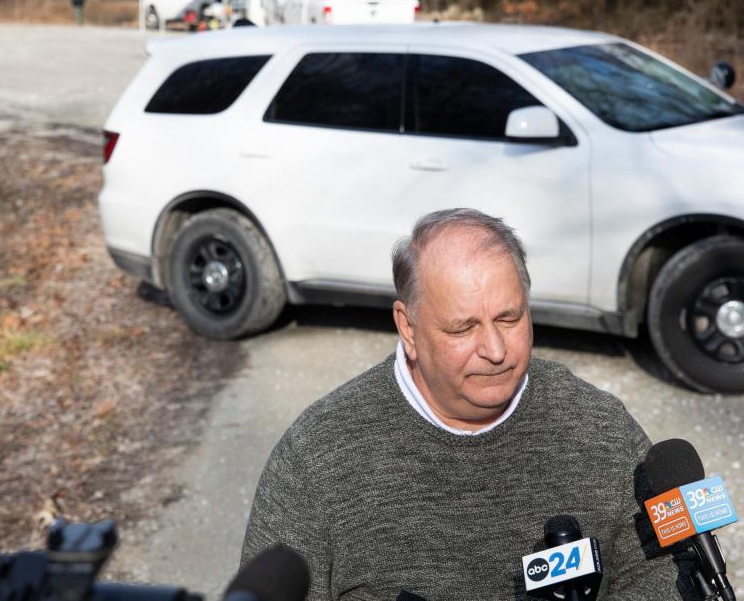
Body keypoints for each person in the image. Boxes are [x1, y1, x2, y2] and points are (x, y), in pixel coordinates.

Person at [242, 208, 690, 600]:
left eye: (509, 318)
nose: (496, 350)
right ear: (409, 328)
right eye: (463, 329)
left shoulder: (599, 428)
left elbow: (675, 570)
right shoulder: (317, 457)